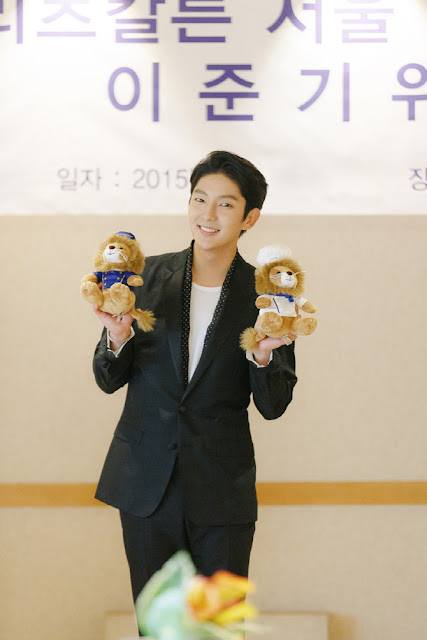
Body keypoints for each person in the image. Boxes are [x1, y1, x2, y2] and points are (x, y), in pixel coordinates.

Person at [92, 150, 298, 606]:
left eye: (225, 204)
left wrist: (262, 357)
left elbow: (274, 404)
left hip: (221, 488)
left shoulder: (267, 296)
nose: (208, 215)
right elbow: (107, 379)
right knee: (159, 625)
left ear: (249, 218)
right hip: (145, 482)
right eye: (199, 199)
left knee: (217, 626)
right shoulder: (145, 278)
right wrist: (117, 336)